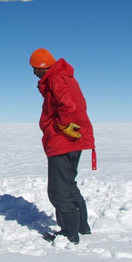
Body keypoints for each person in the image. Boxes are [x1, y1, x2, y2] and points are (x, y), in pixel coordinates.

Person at [29, 48, 96, 244]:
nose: (34, 73)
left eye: (35, 69)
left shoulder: (55, 79)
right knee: (69, 184)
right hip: (75, 141)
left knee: (58, 190)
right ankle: (82, 227)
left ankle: (69, 233)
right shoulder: (64, 77)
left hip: (63, 141)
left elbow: (68, 105)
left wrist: (64, 125)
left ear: (43, 67)